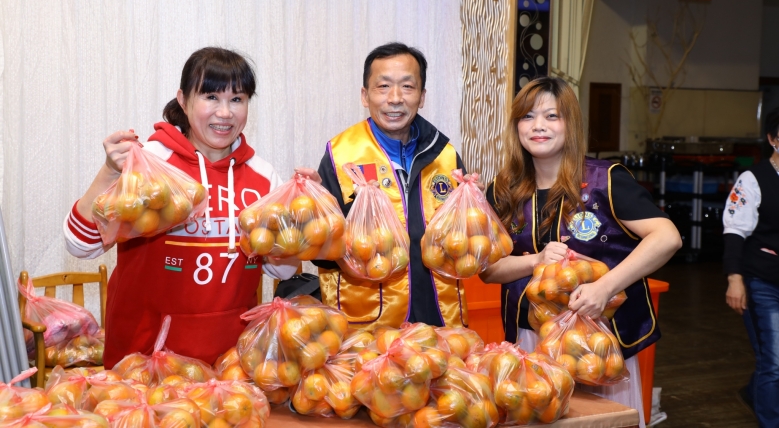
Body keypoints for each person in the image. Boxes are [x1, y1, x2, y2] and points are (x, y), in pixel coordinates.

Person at [64, 47, 300, 367]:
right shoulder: (152, 163)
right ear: (184, 100)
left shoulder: (263, 176)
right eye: (211, 97)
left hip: (229, 365)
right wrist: (109, 172)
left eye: (237, 99)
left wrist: (299, 219)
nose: (225, 112)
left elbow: (282, 269)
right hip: (144, 361)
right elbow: (81, 245)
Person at [480, 77, 681, 422]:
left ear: (570, 124)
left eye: (551, 116)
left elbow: (667, 238)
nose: (538, 126)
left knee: (603, 421)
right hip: (531, 337)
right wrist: (536, 260)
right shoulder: (503, 189)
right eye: (527, 116)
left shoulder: (606, 180)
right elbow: (488, 270)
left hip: (600, 343)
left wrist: (604, 288)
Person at [297, 42, 469, 328]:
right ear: (365, 96)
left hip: (439, 319)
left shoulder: (445, 155)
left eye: (407, 87)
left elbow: (465, 245)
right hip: (368, 327)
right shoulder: (341, 155)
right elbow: (321, 255)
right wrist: (316, 214)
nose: (395, 98)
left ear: (422, 96)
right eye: (383, 86)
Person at [723, 106, 779, 427]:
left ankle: (753, 392)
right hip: (762, 281)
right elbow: (734, 232)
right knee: (774, 361)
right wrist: (735, 279)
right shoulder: (752, 179)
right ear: (773, 139)